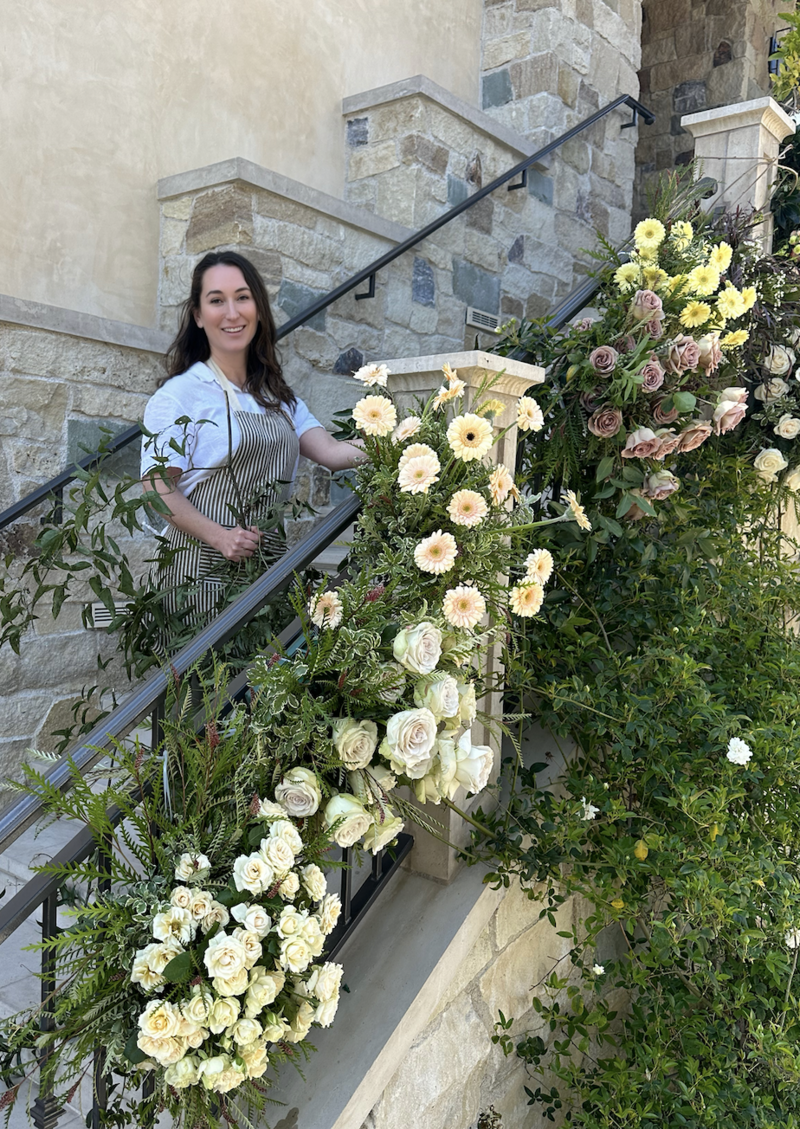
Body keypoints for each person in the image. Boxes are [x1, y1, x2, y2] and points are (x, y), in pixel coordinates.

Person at [140, 249, 363, 636]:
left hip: (267, 568)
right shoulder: (181, 395)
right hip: (198, 571)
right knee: (205, 692)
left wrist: (405, 443)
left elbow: (333, 453)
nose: (232, 312)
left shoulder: (278, 398)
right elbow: (156, 488)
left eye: (242, 297)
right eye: (216, 300)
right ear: (197, 315)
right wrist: (221, 536)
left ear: (258, 309)